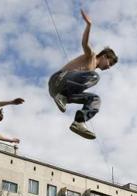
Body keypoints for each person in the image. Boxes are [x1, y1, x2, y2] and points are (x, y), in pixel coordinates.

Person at [48, 9, 118, 139]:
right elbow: (85, 43)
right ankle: (62, 96)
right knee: (94, 76)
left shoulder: (90, 73)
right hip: (58, 80)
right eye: (110, 63)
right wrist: (89, 25)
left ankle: (79, 122)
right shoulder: (91, 56)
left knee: (95, 99)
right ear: (104, 56)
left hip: (65, 93)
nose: (108, 67)